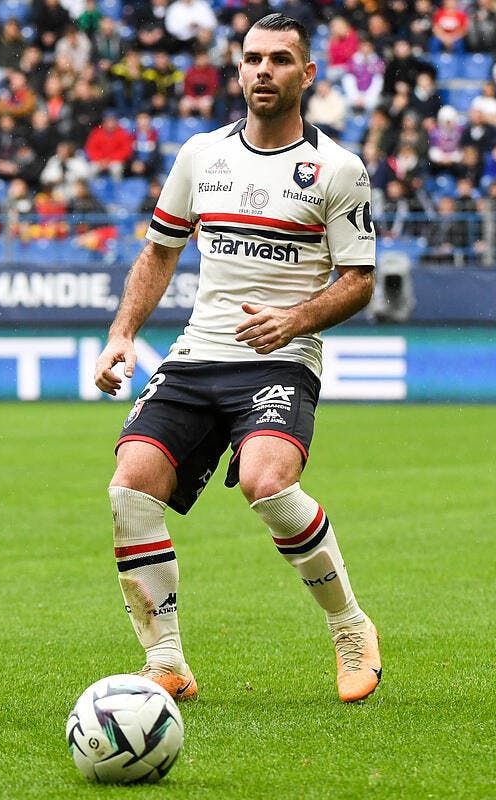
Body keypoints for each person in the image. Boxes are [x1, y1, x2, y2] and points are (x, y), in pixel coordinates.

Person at [92, 14, 381, 705]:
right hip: (199, 354)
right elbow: (160, 252)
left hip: (281, 358)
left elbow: (359, 279)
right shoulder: (201, 155)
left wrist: (295, 319)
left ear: (307, 74)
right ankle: (165, 661)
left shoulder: (338, 169)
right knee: (131, 486)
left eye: (279, 60)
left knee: (267, 482)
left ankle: (349, 626)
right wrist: (122, 333)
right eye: (252, 59)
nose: (262, 71)